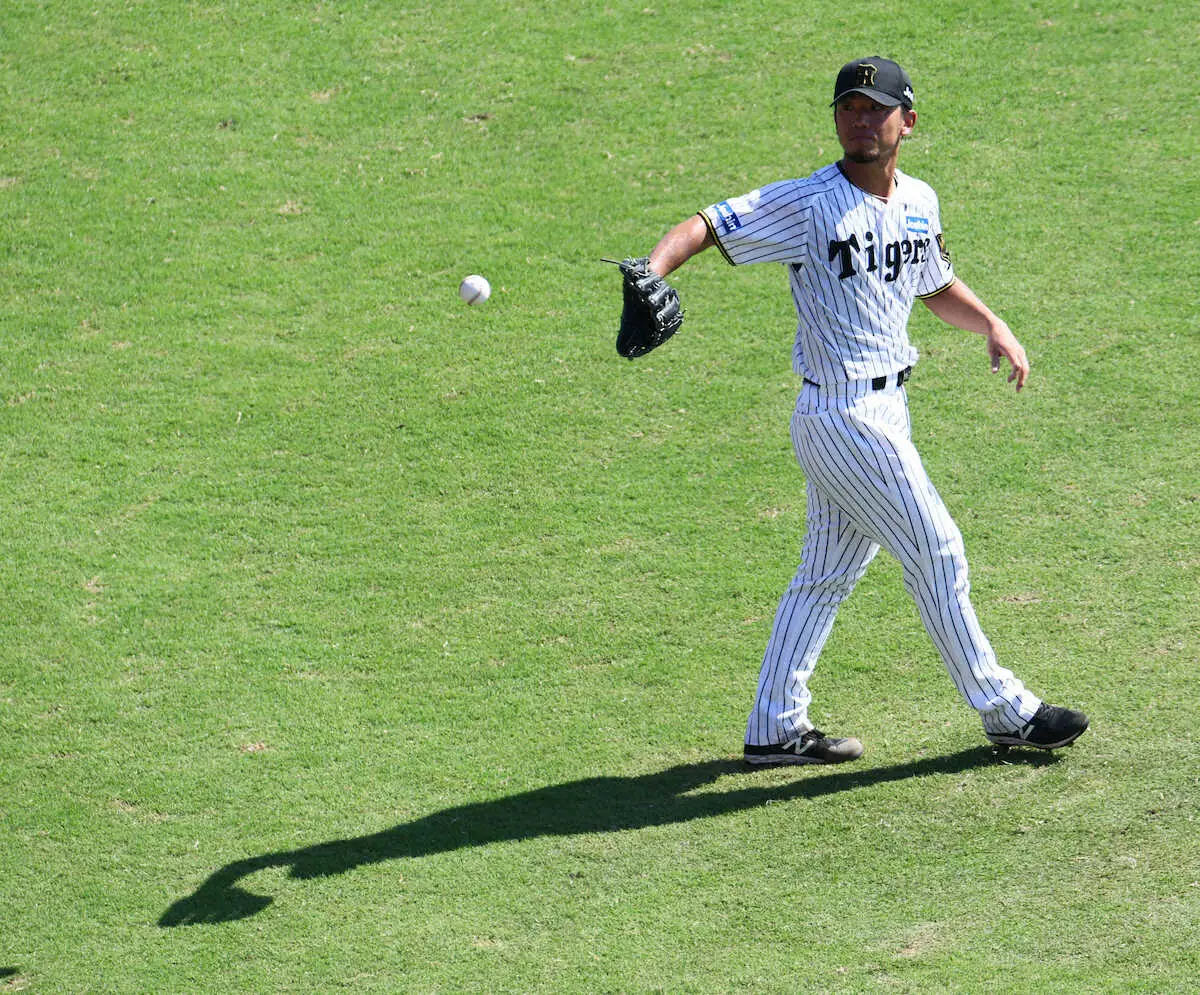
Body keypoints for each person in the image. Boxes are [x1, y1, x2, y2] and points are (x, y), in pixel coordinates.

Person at [638, 57, 1088, 764]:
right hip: (841, 413)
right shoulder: (810, 203)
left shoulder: (920, 201)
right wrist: (651, 270)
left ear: (907, 120)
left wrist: (993, 324)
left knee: (825, 573)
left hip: (886, 409)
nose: (859, 118)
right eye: (848, 106)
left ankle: (773, 726)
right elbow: (709, 224)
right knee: (936, 548)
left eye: (874, 108)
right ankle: (1007, 708)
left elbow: (933, 285)